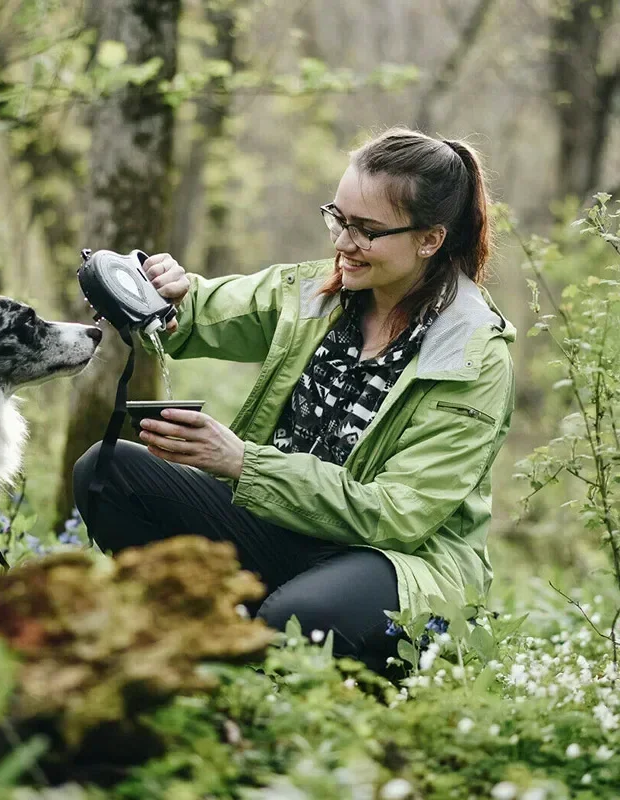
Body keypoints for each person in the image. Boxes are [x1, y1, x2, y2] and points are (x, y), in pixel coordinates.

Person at [72, 127, 515, 679]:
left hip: (400, 564)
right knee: (107, 470)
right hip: (283, 526)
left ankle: (292, 664)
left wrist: (241, 462)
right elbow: (214, 310)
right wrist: (164, 295)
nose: (343, 243)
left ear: (429, 239)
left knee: (297, 619)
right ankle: (196, 649)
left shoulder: (472, 354)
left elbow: (399, 514)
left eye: (367, 230)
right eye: (339, 218)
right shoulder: (323, 290)